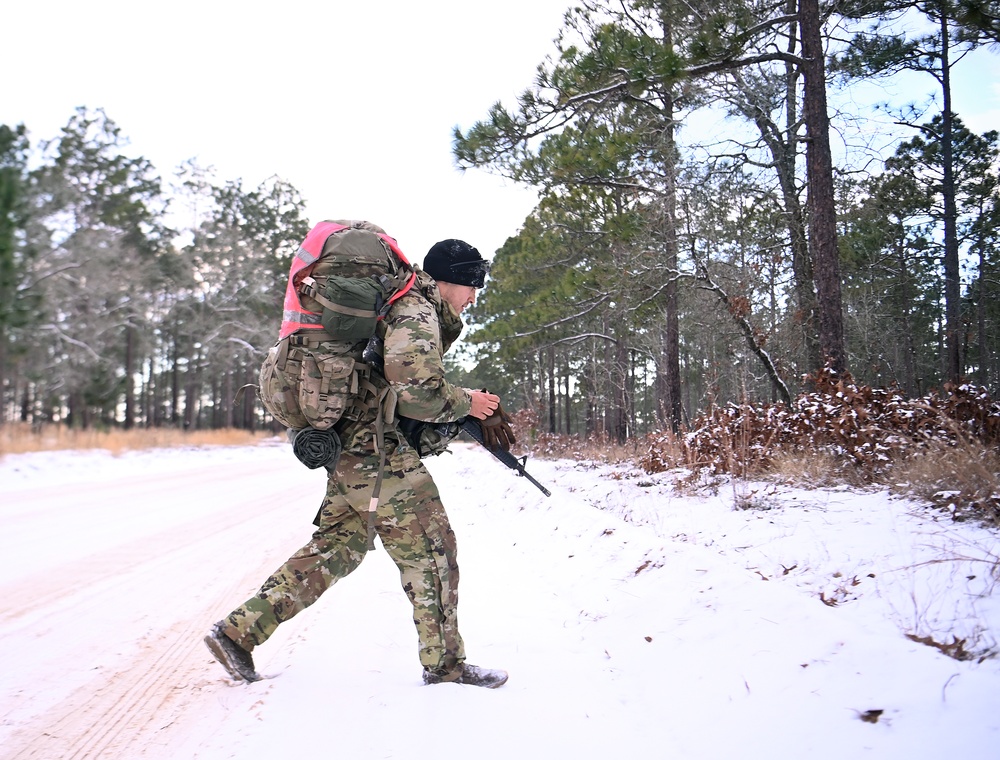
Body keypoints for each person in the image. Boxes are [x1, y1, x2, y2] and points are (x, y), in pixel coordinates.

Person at [204, 236, 512, 689]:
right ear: (452, 281)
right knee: (432, 547)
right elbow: (419, 389)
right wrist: (470, 402)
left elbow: (393, 384)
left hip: (355, 440)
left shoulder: (403, 301)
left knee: (339, 546)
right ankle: (446, 667)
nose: (472, 299)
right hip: (370, 447)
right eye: (472, 288)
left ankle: (236, 634)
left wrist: (450, 417)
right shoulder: (416, 306)